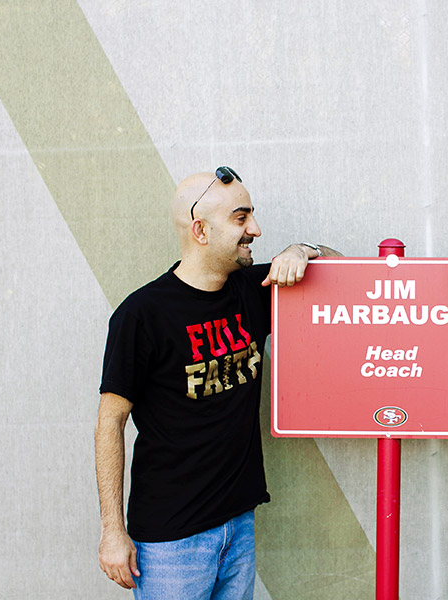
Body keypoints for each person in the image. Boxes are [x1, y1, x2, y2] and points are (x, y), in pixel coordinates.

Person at [95, 166, 339, 599]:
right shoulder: (142, 315)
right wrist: (113, 531)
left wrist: (302, 250)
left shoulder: (253, 288)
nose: (256, 230)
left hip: (238, 524)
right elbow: (110, 423)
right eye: (241, 218)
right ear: (201, 230)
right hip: (172, 540)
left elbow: (348, 274)